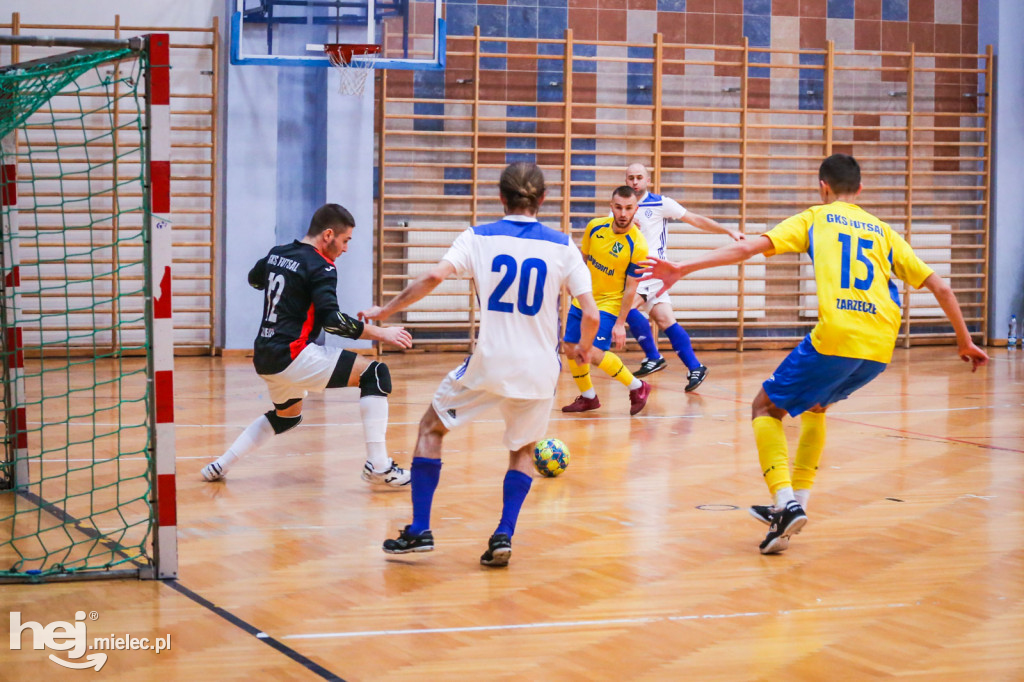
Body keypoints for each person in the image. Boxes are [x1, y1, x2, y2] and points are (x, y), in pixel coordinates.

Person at [640, 154, 989, 554]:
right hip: (880, 346)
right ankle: (794, 509)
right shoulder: (883, 231)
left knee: (764, 408)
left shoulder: (815, 217)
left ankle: (785, 502)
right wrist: (964, 341)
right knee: (816, 408)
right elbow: (941, 288)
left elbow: (749, 248)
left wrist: (683, 267)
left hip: (838, 334)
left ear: (822, 186)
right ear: (860, 190)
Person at [360, 162, 599, 567]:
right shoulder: (563, 246)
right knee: (523, 448)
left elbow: (435, 276)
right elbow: (590, 314)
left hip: (490, 362)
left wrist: (386, 311)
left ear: (501, 198)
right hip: (541, 368)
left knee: (431, 428)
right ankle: (504, 532)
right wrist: (582, 349)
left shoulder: (478, 237)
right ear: (542, 200)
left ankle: (419, 530)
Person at [201, 203, 414, 487]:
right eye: (345, 240)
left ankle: (220, 465)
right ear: (328, 235)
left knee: (286, 417)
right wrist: (382, 333)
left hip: (265, 355)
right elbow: (333, 322)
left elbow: (254, 279)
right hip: (294, 354)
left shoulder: (279, 253)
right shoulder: (321, 266)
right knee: (375, 374)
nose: (346, 249)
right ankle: (379, 466)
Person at [622, 163, 744, 391]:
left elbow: (695, 219)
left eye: (639, 177)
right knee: (666, 320)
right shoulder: (620, 208)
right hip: (633, 273)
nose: (635, 182)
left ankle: (653, 356)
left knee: (625, 308)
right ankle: (695, 366)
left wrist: (729, 231)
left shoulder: (660, 203)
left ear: (647, 180)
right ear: (625, 180)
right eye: (631, 178)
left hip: (651, 271)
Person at [560, 186, 652, 415]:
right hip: (584, 299)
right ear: (611, 207)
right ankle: (589, 397)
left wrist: (620, 323)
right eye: (619, 207)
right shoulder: (594, 227)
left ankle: (638, 387)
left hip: (609, 304)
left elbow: (631, 288)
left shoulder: (638, 245)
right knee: (571, 348)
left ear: (635, 209)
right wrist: (575, 286)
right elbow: (583, 260)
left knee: (591, 352)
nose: (623, 213)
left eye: (628, 208)